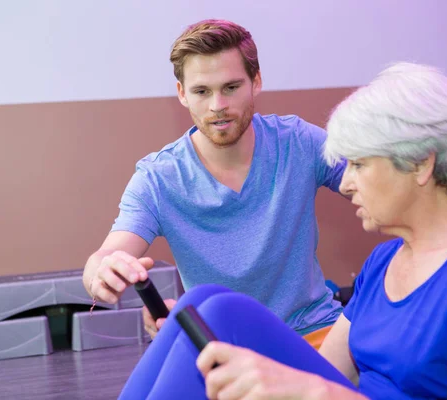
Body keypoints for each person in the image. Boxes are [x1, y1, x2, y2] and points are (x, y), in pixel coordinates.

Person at [116, 62, 447, 399]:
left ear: (421, 164)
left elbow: (326, 388)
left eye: (358, 165)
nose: (345, 183)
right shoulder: (384, 262)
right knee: (201, 306)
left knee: (217, 310)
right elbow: (331, 372)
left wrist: (313, 392)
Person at [82, 19, 348, 348]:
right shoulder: (157, 178)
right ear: (182, 93)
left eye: (231, 88)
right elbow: (107, 254)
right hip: (219, 347)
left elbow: (375, 180)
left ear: (256, 82)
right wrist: (102, 270)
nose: (217, 106)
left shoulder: (299, 143)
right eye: (202, 91)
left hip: (314, 332)